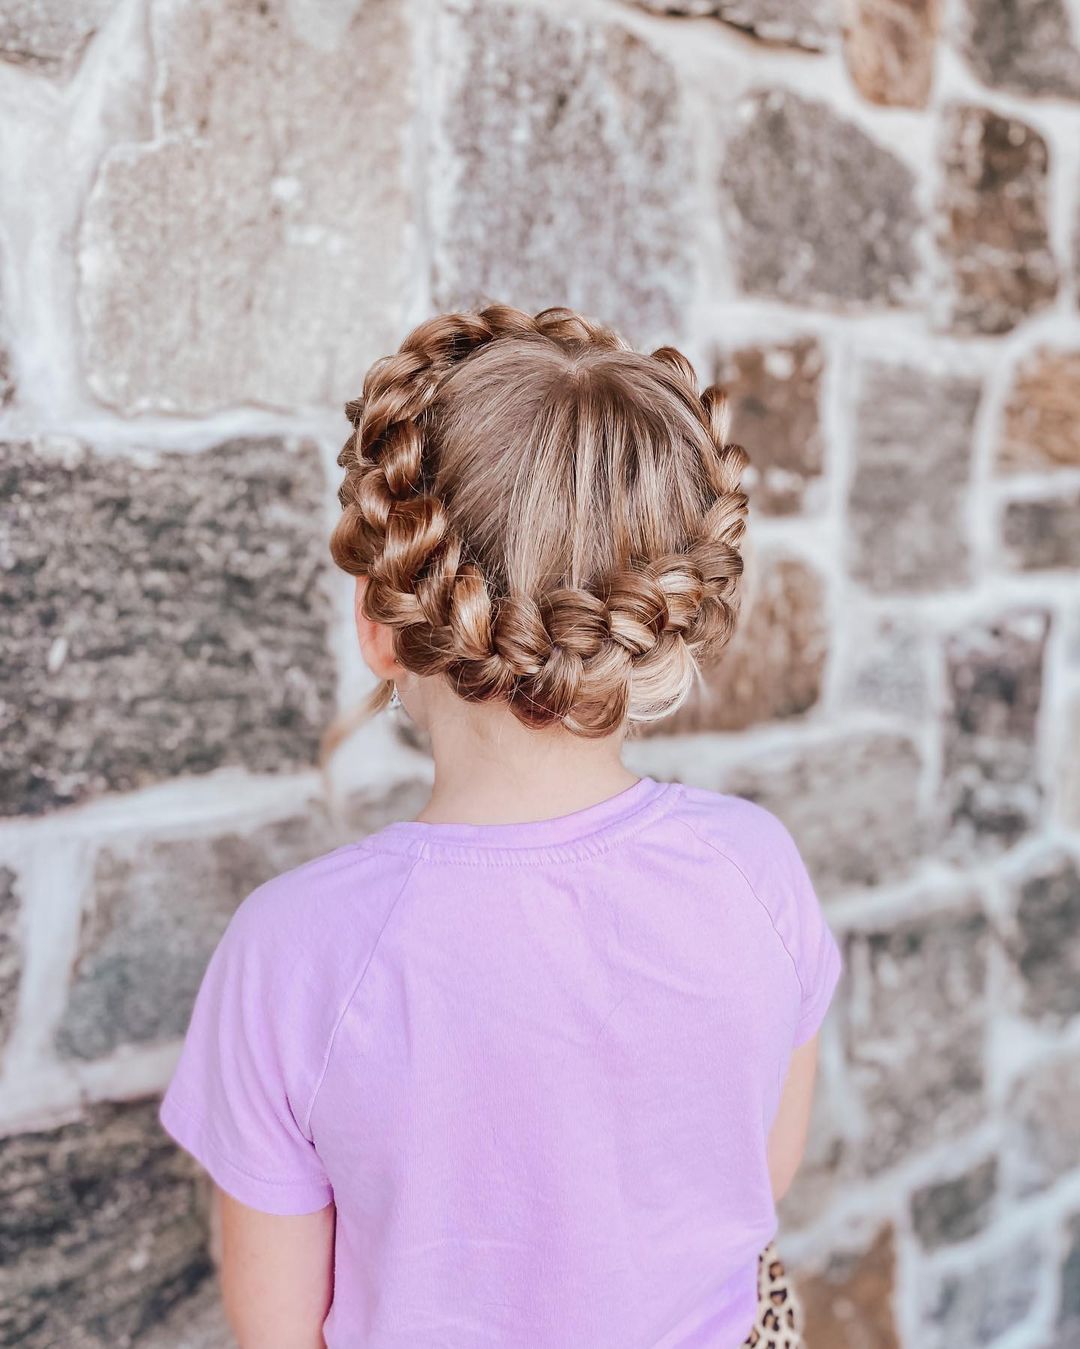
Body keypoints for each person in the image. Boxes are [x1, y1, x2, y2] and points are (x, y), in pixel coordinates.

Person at [159, 304, 842, 1349]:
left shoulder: (293, 950)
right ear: (660, 618)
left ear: (381, 627)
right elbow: (765, 1167)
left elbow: (279, 1326)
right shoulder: (756, 868)